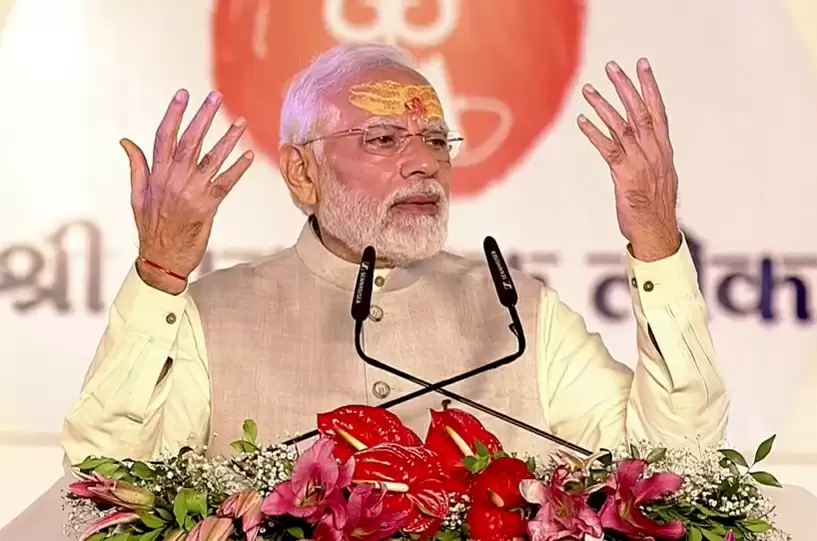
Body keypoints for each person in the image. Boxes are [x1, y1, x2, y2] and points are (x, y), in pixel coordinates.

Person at [60, 43, 727, 467]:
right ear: (302, 172)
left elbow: (674, 465)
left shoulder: (521, 311)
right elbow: (105, 478)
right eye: (382, 139)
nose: (423, 164)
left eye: (436, 140)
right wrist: (159, 275)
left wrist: (655, 240)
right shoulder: (214, 316)